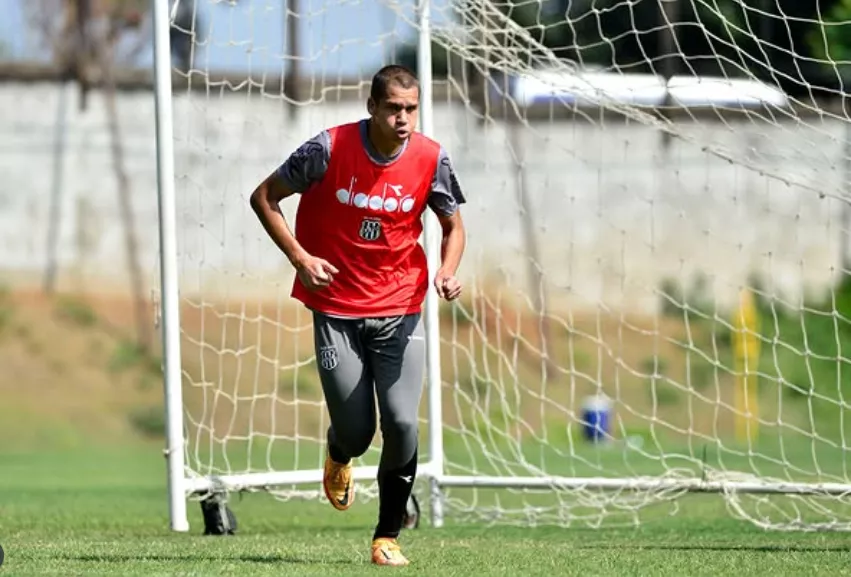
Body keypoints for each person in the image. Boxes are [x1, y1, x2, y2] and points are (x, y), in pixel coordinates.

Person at [249, 64, 467, 566]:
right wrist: (301, 259)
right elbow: (264, 198)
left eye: (411, 108)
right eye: (393, 108)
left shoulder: (432, 159)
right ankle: (339, 453)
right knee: (357, 431)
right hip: (336, 309)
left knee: (402, 423)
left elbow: (453, 227)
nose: (403, 118)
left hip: (401, 307)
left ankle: (386, 536)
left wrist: (448, 271)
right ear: (372, 107)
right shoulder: (327, 149)